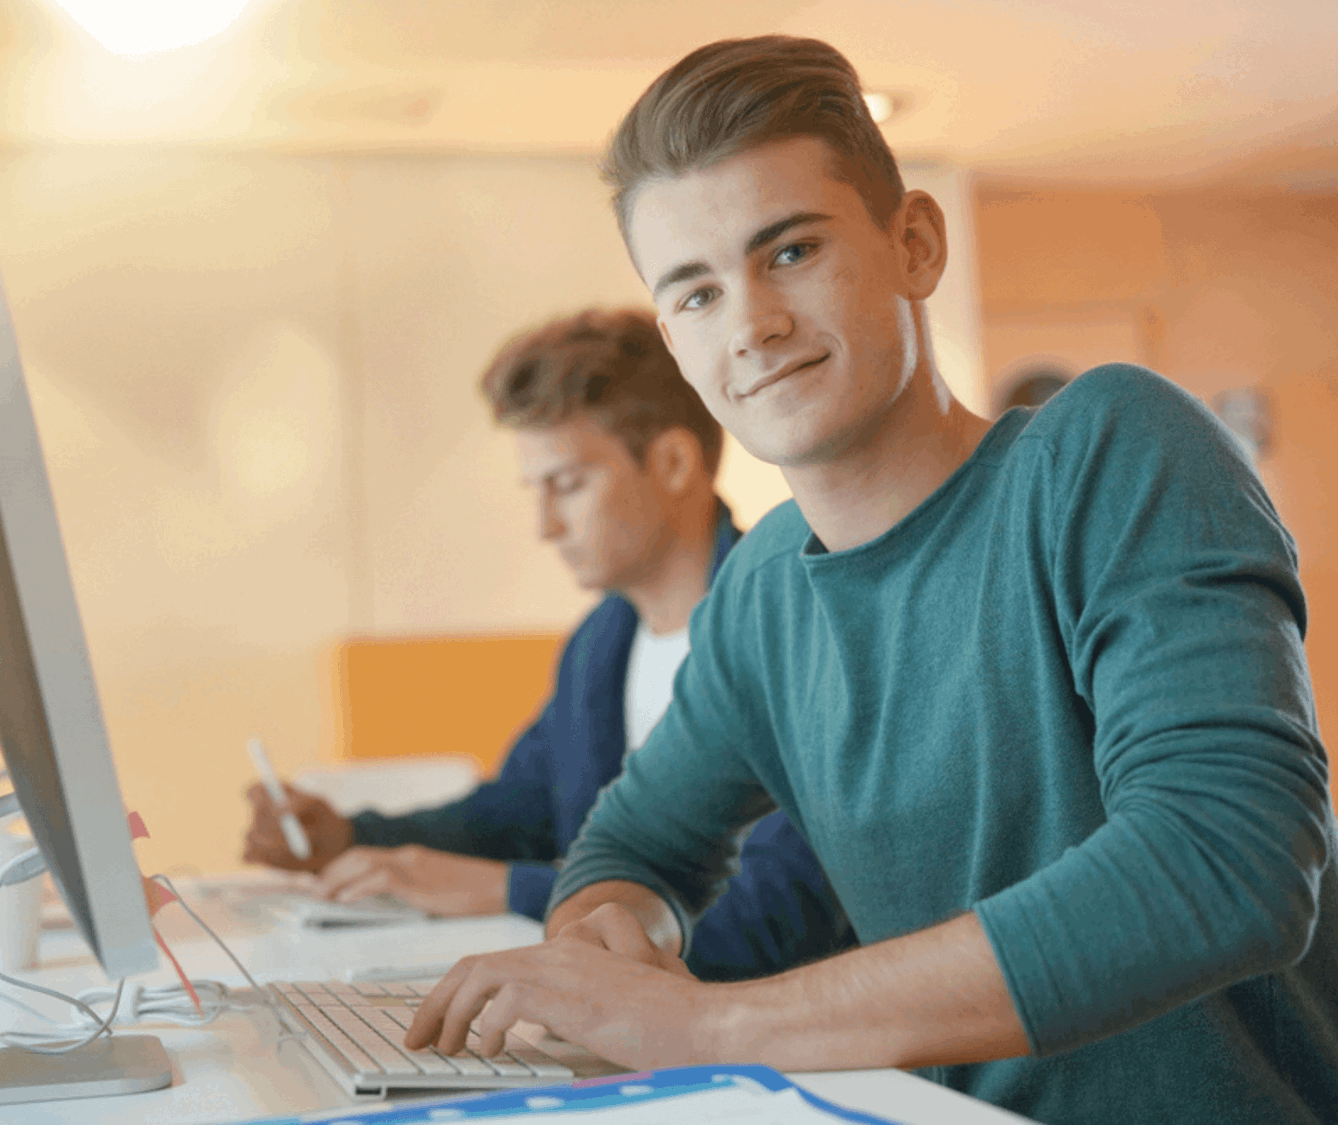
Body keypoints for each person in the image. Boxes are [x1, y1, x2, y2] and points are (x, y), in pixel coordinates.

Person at [403, 36, 1338, 1124]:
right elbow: (636, 845)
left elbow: (1228, 861)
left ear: (916, 246)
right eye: (695, 294)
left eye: (791, 251)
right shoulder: (761, 589)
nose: (749, 323)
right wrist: (610, 946)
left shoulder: (1109, 449)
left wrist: (711, 1027)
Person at [243, 307, 852, 982]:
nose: (544, 525)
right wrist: (352, 836)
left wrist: (510, 890)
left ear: (674, 461)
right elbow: (519, 810)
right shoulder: (600, 643)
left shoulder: (796, 626)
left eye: (567, 484)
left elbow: (769, 921)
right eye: (534, 490)